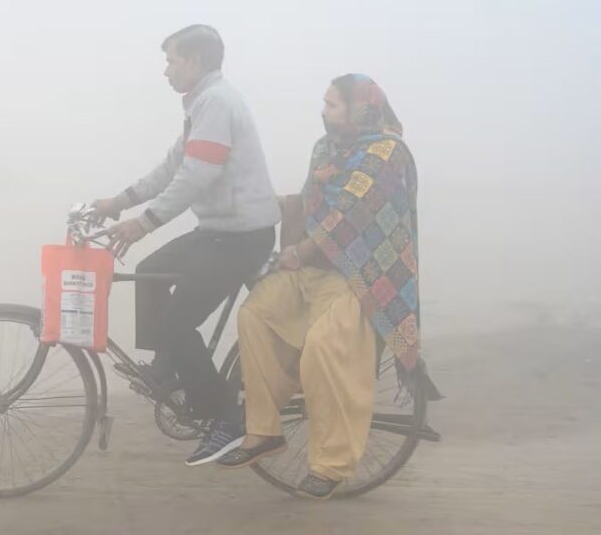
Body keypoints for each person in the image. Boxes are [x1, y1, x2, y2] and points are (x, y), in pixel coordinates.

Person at [218, 74, 430, 499]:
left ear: (361, 109)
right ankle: (263, 431)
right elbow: (309, 201)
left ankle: (331, 465)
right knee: (256, 315)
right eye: (325, 103)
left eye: (333, 105)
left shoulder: (387, 152)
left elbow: (351, 212)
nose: (324, 112)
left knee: (322, 346)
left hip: (362, 275)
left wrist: (304, 250)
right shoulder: (326, 149)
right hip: (311, 265)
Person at [90, 25, 280, 466]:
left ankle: (227, 421)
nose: (166, 70)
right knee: (149, 271)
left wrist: (145, 222)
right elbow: (172, 165)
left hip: (241, 237)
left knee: (178, 323)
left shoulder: (216, 102)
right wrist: (118, 203)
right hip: (217, 232)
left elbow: (196, 175)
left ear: (194, 61)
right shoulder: (201, 104)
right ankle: (167, 366)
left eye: (172, 60)